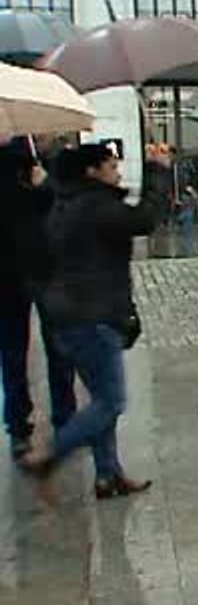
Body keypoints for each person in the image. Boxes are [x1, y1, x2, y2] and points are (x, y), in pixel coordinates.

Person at [20, 144, 166, 498]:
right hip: (93, 316)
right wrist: (158, 170)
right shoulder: (95, 206)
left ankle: (107, 474)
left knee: (101, 398)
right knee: (111, 402)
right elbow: (145, 220)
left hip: (71, 316)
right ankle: (50, 455)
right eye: (111, 165)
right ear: (91, 171)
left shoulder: (65, 203)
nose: (117, 172)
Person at [0, 137, 76, 460]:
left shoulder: (54, 160)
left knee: (59, 347)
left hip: (47, 265)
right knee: (13, 352)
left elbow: (69, 206)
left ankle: (65, 417)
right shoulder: (8, 159)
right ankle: (18, 424)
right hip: (8, 270)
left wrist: (45, 184)